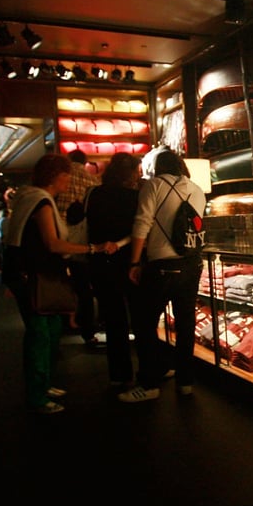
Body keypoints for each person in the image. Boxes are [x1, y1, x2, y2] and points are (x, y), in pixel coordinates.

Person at [2, 153, 117, 414]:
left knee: (50, 330)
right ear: (57, 176)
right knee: (40, 335)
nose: (70, 180)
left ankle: (43, 386)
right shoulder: (41, 203)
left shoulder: (29, 198)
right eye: (67, 175)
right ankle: (37, 396)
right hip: (36, 277)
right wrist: (92, 247)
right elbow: (53, 244)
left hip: (32, 274)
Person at [122, 149, 206, 403]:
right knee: (185, 325)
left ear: (158, 167)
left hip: (162, 265)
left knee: (145, 324)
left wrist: (135, 261)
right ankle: (185, 382)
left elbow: (142, 224)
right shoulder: (196, 188)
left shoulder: (154, 186)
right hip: (192, 264)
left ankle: (149, 384)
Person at [86, 152, 142, 388]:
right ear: (130, 174)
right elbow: (141, 229)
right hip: (130, 263)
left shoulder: (95, 194)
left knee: (114, 320)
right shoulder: (136, 197)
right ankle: (149, 368)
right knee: (140, 318)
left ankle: (120, 375)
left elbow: (89, 226)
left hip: (100, 261)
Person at [56, 149, 101, 345]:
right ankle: (90, 329)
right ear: (85, 162)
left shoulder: (60, 179)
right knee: (90, 288)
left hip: (63, 237)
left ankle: (67, 320)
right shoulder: (93, 181)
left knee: (69, 285)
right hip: (87, 240)